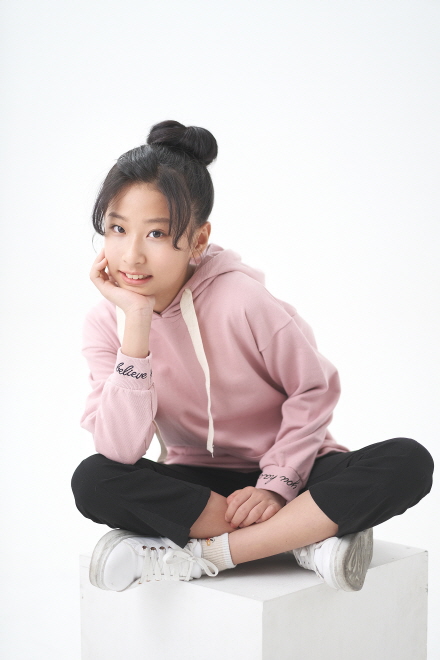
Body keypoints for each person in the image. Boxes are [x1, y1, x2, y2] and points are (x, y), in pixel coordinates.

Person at [71, 119, 434, 593]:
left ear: (198, 240)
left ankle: (210, 554)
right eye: (117, 229)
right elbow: (120, 450)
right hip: (198, 486)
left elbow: (313, 387)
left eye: (156, 234)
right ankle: (302, 539)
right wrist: (136, 327)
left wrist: (276, 486)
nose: (131, 256)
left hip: (292, 470)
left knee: (407, 461)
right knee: (93, 479)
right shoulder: (108, 323)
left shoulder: (241, 300)